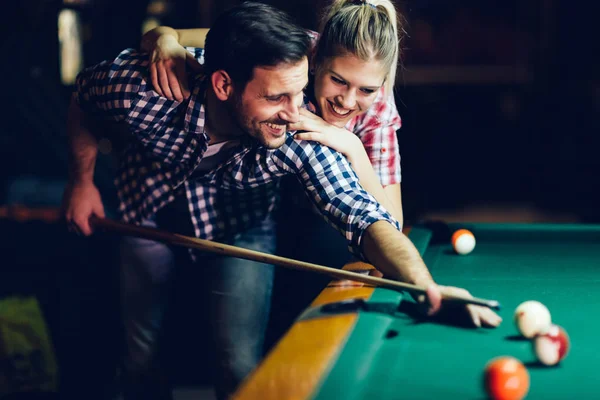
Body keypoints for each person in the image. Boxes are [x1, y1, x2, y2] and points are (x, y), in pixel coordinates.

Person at [63, 2, 500, 399]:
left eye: (299, 93)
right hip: (146, 210)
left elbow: (368, 218)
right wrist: (81, 182)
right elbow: (85, 95)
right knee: (139, 362)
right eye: (277, 97)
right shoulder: (145, 89)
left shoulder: (298, 132)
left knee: (238, 365)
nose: (296, 111)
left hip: (242, 224)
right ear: (223, 85)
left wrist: (426, 286)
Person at [138, 0, 501, 339]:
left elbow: (383, 219)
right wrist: (165, 39)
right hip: (246, 200)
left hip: (321, 208)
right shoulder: (295, 51)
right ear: (317, 58)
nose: (347, 101)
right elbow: (213, 42)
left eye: (367, 89)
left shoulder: (377, 112)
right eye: (338, 80)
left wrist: (351, 145)